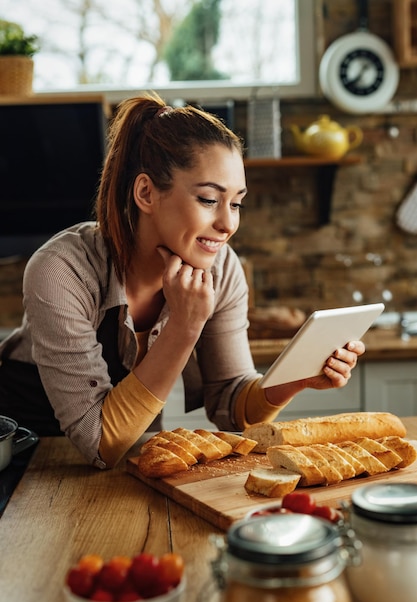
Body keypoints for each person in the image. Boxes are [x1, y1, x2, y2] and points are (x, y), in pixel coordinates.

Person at [0, 93, 364, 469]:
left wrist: (296, 379)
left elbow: (231, 404)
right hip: (28, 457)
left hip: (128, 458)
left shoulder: (221, 269)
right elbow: (98, 441)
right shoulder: (61, 270)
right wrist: (185, 326)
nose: (228, 224)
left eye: (236, 202)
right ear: (146, 193)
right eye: (209, 199)